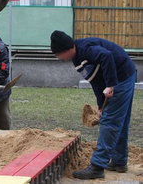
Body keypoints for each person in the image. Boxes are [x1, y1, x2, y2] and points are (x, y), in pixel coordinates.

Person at [50, 30, 136, 180]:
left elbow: (106, 56)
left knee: (109, 121)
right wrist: (101, 105)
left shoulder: (86, 50)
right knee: (118, 121)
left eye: (58, 55)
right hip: (124, 75)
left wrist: (110, 85)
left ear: (66, 50)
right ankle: (119, 162)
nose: (58, 58)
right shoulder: (77, 58)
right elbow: (95, 81)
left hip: (121, 77)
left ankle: (97, 166)